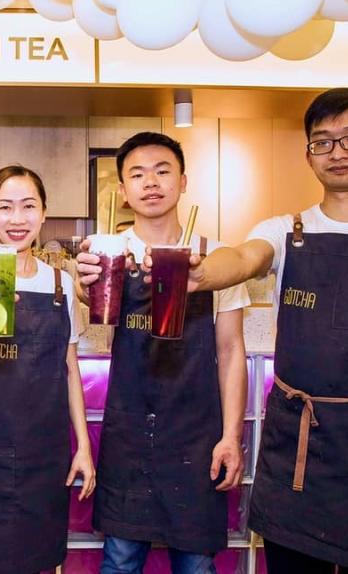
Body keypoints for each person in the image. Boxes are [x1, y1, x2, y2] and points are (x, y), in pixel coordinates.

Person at [179, 88, 348, 574]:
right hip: (295, 457)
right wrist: (199, 273)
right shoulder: (287, 230)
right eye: (323, 141)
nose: (338, 152)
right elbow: (242, 257)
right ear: (308, 155)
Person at [77, 132, 250, 574]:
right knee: (119, 560)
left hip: (195, 435)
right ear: (122, 190)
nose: (150, 182)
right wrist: (84, 287)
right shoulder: (108, 255)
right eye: (137, 174)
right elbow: (95, 322)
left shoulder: (216, 260)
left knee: (195, 564)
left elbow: (231, 351)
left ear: (183, 181)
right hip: (129, 430)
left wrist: (231, 436)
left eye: (162, 170)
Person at [0, 166, 95, 574]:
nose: (17, 219)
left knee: (39, 563)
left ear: (44, 213)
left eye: (28, 206)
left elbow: (70, 370)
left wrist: (82, 446)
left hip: (44, 458)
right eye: (5, 208)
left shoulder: (61, 285)